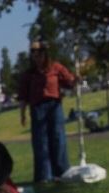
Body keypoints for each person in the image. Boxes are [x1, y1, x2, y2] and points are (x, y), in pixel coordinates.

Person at [18, 40, 76, 182]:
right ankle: (44, 175)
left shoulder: (56, 67)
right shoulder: (29, 74)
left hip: (54, 106)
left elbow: (69, 81)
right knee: (41, 141)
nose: (37, 58)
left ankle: (62, 172)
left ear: (45, 54)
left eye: (39, 55)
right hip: (37, 108)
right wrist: (23, 114)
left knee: (58, 137)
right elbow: (23, 96)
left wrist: (75, 79)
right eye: (34, 55)